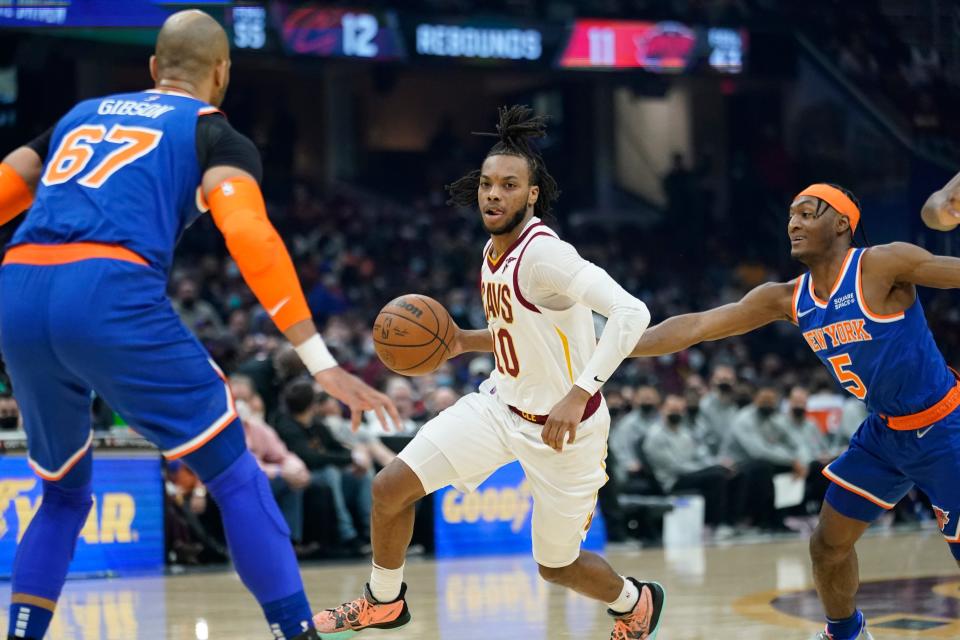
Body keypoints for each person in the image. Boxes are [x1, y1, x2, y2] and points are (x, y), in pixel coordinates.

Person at [0, 10, 397, 640]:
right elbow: (246, 233)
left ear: (154, 68)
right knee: (235, 474)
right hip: (107, 288)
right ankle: (296, 633)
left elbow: (3, 192)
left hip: (18, 290)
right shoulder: (213, 132)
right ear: (222, 74)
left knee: (63, 494)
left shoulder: (80, 115)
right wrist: (322, 362)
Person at [312, 106, 665, 639]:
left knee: (556, 565)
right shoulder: (492, 249)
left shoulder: (546, 255)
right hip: (500, 406)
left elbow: (631, 312)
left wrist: (577, 394)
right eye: (486, 183)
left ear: (532, 195)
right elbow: (520, 332)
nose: (493, 194)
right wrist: (459, 341)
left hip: (565, 431)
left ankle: (634, 602)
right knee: (390, 488)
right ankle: (383, 601)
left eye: (508, 185)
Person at [631, 182, 960, 640]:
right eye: (791, 214)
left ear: (843, 222)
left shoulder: (882, 264)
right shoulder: (787, 297)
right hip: (884, 434)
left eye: (808, 212)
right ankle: (846, 634)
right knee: (828, 546)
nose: (794, 222)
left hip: (945, 427)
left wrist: (943, 207)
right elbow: (699, 326)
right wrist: (617, 347)